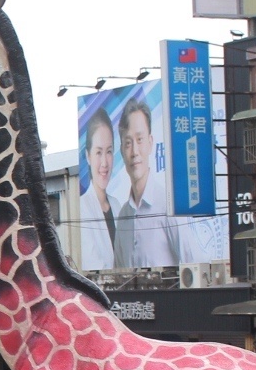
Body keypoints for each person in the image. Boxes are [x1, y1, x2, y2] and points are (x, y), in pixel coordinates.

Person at [112, 100, 181, 269]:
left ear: (150, 143)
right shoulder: (123, 217)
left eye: (140, 140)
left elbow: (194, 266)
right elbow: (119, 274)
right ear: (121, 150)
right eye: (128, 143)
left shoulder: (169, 206)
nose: (134, 152)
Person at [78, 109, 118, 270]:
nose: (104, 163)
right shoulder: (83, 207)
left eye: (108, 152)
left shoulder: (118, 206)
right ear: (88, 156)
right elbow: (93, 263)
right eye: (98, 152)